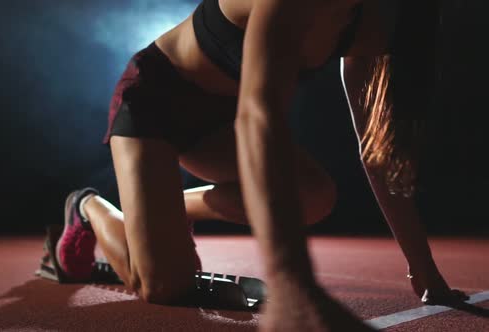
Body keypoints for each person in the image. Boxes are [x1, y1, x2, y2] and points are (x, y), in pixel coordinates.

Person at [55, 0, 466, 330]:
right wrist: (293, 283)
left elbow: (375, 152)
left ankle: (167, 211)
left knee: (314, 197)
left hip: (219, 124)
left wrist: (424, 272)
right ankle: (89, 207)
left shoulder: (367, 28)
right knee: (164, 285)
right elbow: (260, 117)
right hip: (154, 104)